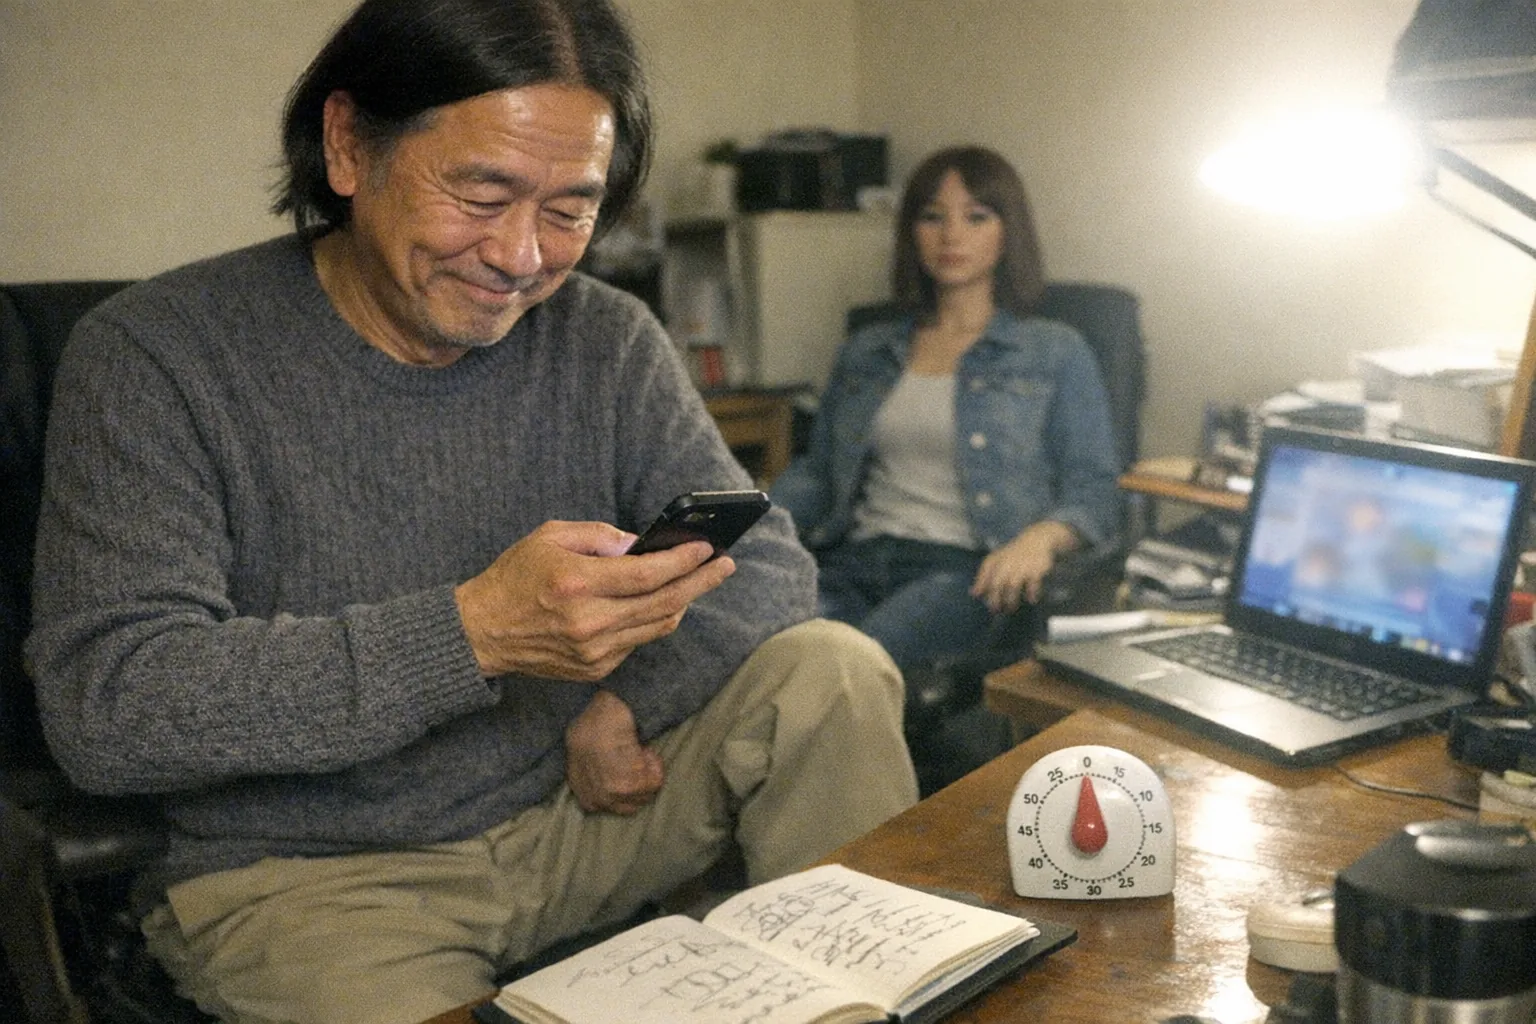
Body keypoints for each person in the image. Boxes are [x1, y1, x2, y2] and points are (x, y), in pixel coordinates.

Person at [23, 2, 918, 1022]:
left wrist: (628, 702)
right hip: (310, 880)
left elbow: (767, 565)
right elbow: (111, 707)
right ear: (348, 145)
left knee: (830, 670)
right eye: (482, 194)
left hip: (573, 814)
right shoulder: (156, 357)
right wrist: (474, 632)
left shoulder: (604, 338)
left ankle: (881, 990)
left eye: (569, 210)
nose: (522, 257)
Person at [770, 145, 1121, 701]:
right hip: (852, 559)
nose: (951, 235)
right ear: (912, 232)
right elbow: (818, 474)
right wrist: (742, 530)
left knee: (844, 671)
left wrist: (1042, 538)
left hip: (964, 572)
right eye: (933, 216)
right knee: (759, 653)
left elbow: (1096, 489)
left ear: (1008, 232)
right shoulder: (868, 350)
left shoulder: (1055, 351)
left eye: (976, 216)